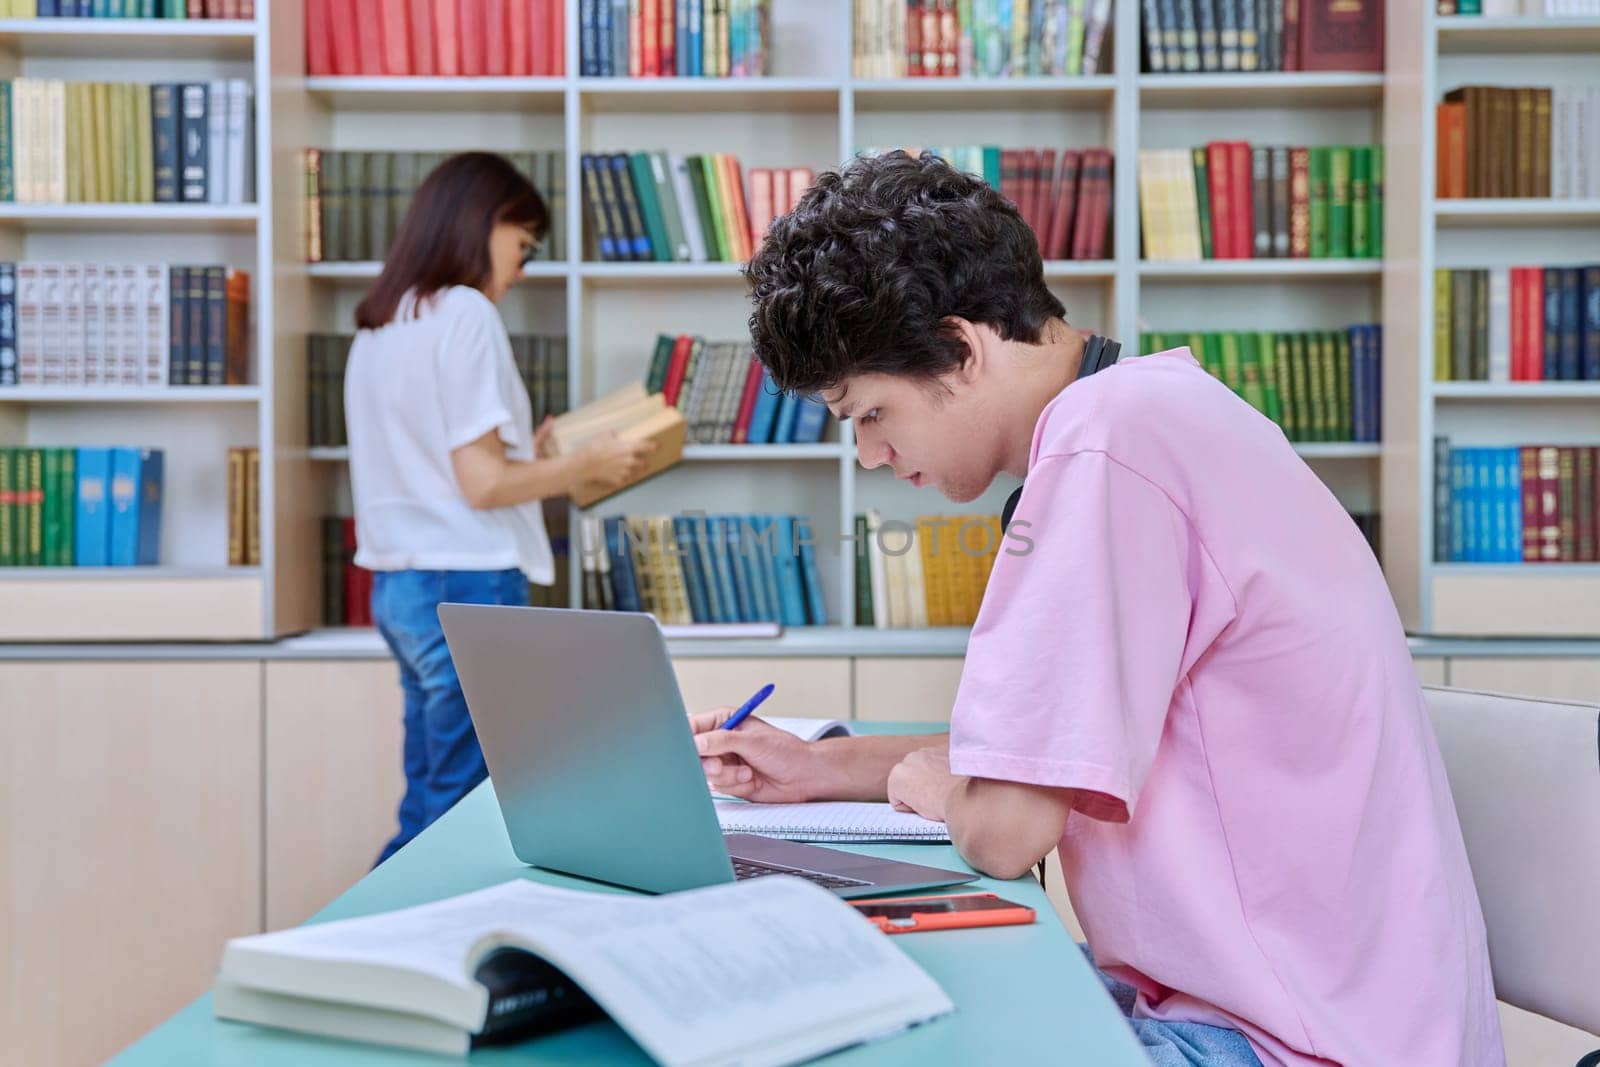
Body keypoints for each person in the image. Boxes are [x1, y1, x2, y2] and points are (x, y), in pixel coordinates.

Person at [692, 151, 1504, 1067]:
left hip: (1284, 1039)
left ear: (961, 349)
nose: (873, 455)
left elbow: (1005, 831)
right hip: (1320, 1009)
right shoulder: (1154, 410)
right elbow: (1039, 762)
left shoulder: (1104, 449)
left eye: (869, 412)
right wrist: (817, 767)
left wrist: (934, 787)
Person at [346, 152, 653, 864]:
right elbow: (480, 486)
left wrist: (536, 457)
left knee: (430, 799)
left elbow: (436, 467)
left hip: (401, 587)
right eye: (522, 245)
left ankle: (372, 945)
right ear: (484, 226)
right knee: (464, 821)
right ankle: (384, 949)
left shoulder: (379, 327)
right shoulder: (466, 314)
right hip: (469, 584)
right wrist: (585, 466)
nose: (521, 268)